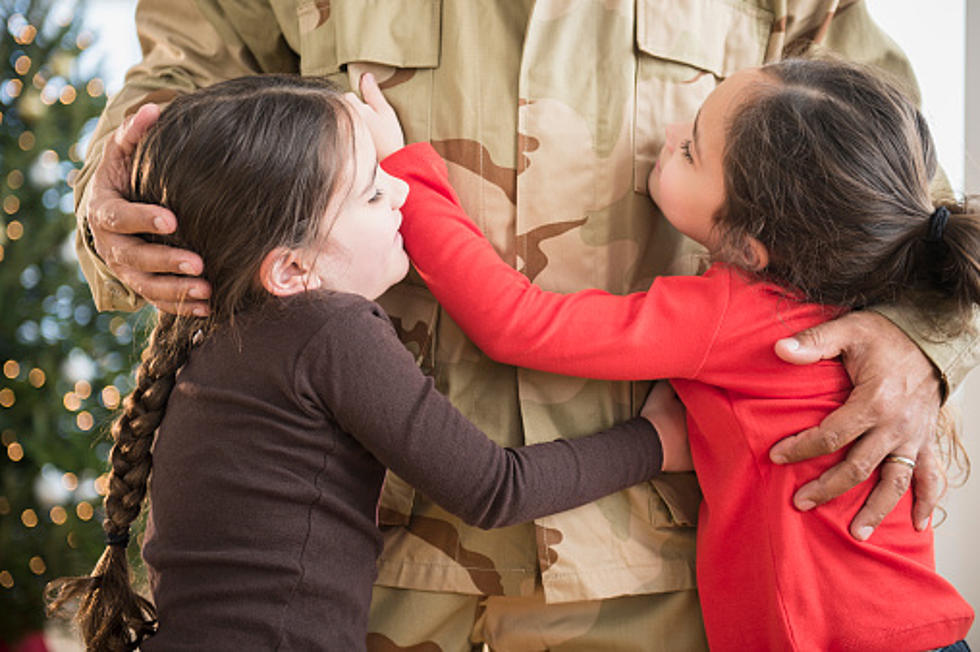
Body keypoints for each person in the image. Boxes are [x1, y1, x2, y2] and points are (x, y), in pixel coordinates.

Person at [72, 2, 979, 648]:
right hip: (361, 574)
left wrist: (921, 342)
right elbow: (174, 87)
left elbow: (899, 187)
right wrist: (115, 203)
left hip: (666, 588)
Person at [46, 74, 695, 651]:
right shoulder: (329, 331)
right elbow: (493, 489)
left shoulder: (217, 334)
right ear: (293, 267)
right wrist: (655, 441)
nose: (401, 195)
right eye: (371, 192)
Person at [366, 56, 977, 650]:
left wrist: (404, 178)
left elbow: (516, 324)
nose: (668, 131)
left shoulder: (735, 316)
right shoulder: (868, 280)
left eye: (690, 150)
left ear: (747, 242)